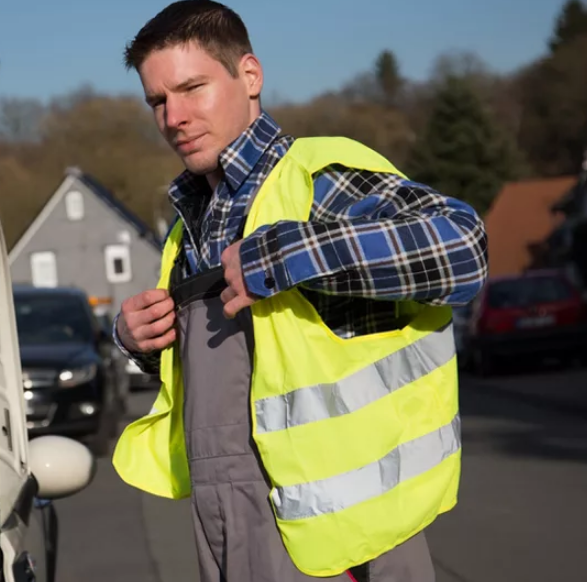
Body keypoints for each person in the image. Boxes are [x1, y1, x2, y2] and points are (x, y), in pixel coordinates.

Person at [110, 2, 488, 582]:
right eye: (158, 101)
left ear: (250, 77)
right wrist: (142, 341)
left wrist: (290, 253)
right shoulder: (187, 227)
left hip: (343, 546)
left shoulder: (318, 179)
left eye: (192, 88)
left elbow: (461, 248)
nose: (175, 117)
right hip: (229, 529)